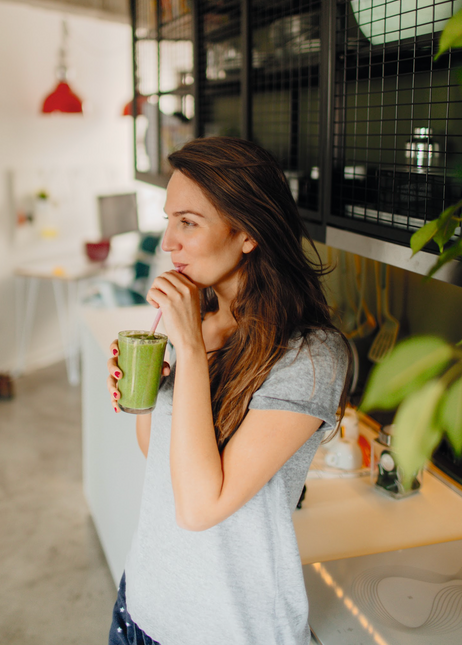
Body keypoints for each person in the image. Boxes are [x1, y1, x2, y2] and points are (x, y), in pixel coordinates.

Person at [106, 136, 351, 645]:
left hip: (230, 628)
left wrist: (190, 352)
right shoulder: (202, 323)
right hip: (142, 606)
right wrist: (150, 389)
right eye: (169, 218)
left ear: (247, 234)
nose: (168, 241)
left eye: (188, 222)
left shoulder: (310, 356)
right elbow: (158, 455)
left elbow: (200, 507)